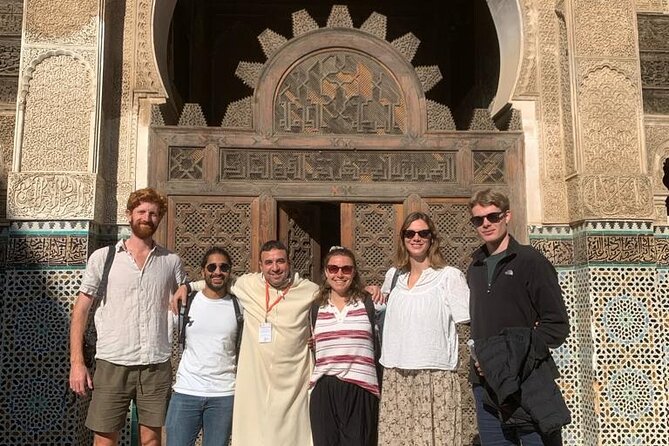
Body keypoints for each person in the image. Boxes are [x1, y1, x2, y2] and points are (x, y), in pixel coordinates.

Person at [69, 188, 186, 446]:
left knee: (151, 440)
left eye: (154, 214)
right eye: (142, 211)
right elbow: (81, 310)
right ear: (129, 215)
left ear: (160, 218)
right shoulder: (104, 258)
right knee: (104, 439)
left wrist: (186, 287)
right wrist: (77, 362)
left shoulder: (171, 261)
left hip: (155, 363)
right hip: (113, 361)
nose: (147, 217)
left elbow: (184, 291)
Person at [173, 240, 318, 446]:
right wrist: (187, 286)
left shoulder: (308, 290)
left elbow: (337, 295)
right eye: (268, 262)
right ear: (260, 266)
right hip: (254, 383)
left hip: (293, 384)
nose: (275, 268)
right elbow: (218, 280)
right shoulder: (248, 285)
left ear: (289, 263)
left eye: (280, 261)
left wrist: (368, 290)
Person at [467, 189, 570, 446]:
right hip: (487, 385)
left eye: (492, 216)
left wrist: (507, 357)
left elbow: (556, 326)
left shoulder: (530, 261)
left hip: (527, 381)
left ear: (507, 216)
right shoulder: (474, 268)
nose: (486, 224)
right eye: (478, 219)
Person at [377, 211, 470, 446]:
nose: (416, 238)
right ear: (403, 238)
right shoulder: (393, 276)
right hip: (396, 373)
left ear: (432, 239)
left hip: (434, 375)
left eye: (423, 233)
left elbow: (468, 323)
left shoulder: (449, 276)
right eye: (410, 233)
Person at [165, 247, 240, 446]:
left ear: (230, 271)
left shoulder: (239, 306)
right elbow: (159, 332)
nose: (217, 272)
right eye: (212, 267)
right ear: (203, 271)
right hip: (186, 391)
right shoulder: (185, 303)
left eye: (223, 267)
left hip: (223, 394)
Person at [309, 246, 380, 446]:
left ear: (354, 272)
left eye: (346, 269)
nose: (339, 274)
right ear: (325, 272)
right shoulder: (316, 307)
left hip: (360, 387)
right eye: (333, 268)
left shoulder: (369, 302)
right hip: (325, 388)